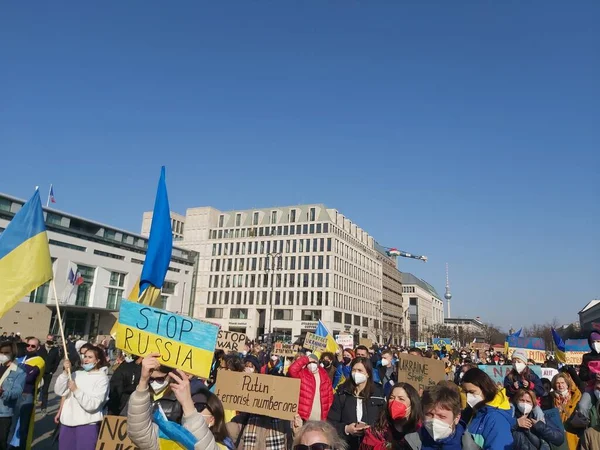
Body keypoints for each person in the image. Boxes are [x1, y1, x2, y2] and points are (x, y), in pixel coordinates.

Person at [127, 353, 233, 450]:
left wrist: (188, 404)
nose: (192, 410)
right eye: (191, 405)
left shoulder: (222, 447)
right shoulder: (170, 438)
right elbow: (139, 433)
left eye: (199, 407)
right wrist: (143, 381)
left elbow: (203, 445)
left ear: (213, 419)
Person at [54, 344, 110, 450]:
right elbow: (59, 391)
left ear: (97, 360)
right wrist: (65, 373)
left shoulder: (102, 378)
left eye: (90, 357)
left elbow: (93, 404)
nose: (86, 360)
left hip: (87, 424)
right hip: (67, 423)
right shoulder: (76, 374)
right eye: (85, 356)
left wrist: (76, 390)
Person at [327, 358, 385, 450]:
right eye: (354, 370)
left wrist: (371, 430)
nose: (356, 373)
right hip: (346, 445)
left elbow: (384, 423)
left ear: (368, 374)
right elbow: (330, 423)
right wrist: (346, 429)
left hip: (371, 445)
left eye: (360, 370)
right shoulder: (342, 394)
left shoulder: (378, 396)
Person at [461, 367, 515, 450]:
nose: (468, 396)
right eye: (465, 392)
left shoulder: (495, 418)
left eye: (472, 392)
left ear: (484, 389)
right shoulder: (473, 412)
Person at [359, 382, 422, 450]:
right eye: (391, 398)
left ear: (412, 404)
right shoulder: (376, 430)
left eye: (401, 399)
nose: (394, 402)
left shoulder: (420, 430)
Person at [10, 338, 46, 450]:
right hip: (13, 394)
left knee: (23, 428)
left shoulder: (39, 360)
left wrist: (16, 371)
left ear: (38, 347)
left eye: (33, 346)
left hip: (26, 395)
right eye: (28, 345)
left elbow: (29, 378)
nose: (29, 347)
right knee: (11, 426)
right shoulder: (20, 358)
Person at [420, 384, 479, 450]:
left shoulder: (468, 446)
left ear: (457, 418)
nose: (434, 421)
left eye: (442, 416)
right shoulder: (412, 442)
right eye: (429, 414)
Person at [289, 354, 334, 421]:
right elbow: (292, 370)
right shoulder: (302, 374)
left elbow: (330, 395)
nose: (312, 364)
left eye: (314, 362)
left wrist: (327, 410)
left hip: (320, 417)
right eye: (309, 362)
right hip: (304, 417)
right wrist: (305, 359)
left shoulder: (324, 375)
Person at [0, 341, 26, 450]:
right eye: (1, 352)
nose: (2, 355)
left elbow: (18, 392)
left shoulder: (19, 372)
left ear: (12, 353)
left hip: (3, 412)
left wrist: (3, 392)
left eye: (6, 353)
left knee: (1, 441)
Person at [551, 372, 581, 450]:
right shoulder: (550, 397)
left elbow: (576, 391)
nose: (560, 385)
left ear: (567, 384)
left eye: (562, 383)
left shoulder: (574, 396)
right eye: (557, 383)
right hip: (557, 433)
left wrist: (569, 378)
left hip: (571, 433)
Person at [37, 334, 61, 414]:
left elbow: (57, 361)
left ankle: (44, 408)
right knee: (36, 389)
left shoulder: (55, 350)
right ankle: (32, 406)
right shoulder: (41, 348)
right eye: (48, 338)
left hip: (48, 373)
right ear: (46, 338)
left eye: (51, 339)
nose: (50, 340)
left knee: (45, 390)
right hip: (39, 372)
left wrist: (52, 371)